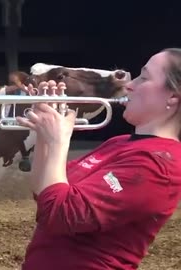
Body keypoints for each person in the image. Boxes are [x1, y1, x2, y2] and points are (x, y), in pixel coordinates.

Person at [16, 48, 181, 270]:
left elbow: (61, 215)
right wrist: (45, 131)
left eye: (145, 77)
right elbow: (44, 193)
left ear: (172, 96)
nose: (130, 85)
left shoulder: (158, 165)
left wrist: (58, 142)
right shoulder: (119, 142)